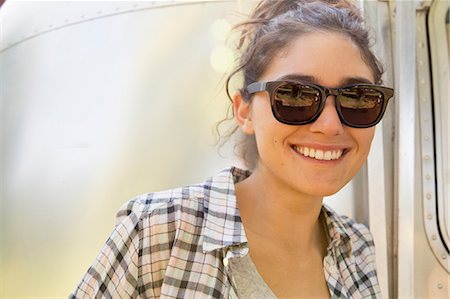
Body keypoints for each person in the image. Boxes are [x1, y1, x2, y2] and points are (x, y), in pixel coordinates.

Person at [70, 0, 393, 298]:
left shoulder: (359, 247)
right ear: (244, 111)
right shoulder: (160, 229)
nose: (330, 125)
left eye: (358, 98)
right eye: (295, 95)